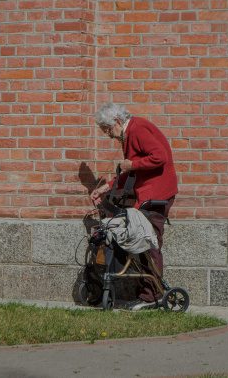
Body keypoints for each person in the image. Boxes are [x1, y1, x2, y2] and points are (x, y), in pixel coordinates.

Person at [90, 103, 178, 311]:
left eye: (108, 129)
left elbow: (159, 157)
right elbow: (130, 172)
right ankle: (150, 294)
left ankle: (152, 297)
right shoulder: (129, 134)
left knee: (147, 242)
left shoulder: (137, 129)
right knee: (143, 242)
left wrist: (133, 165)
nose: (108, 135)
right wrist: (106, 188)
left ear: (117, 122)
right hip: (147, 195)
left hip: (156, 196)